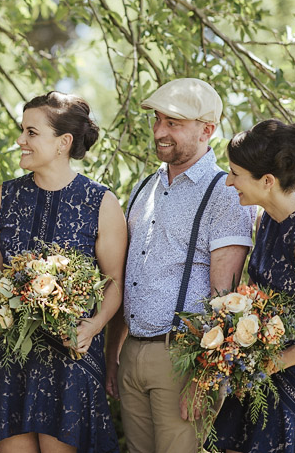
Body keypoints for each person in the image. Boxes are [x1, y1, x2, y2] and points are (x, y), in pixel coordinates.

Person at [0, 91, 128, 453]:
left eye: (31, 133)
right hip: (11, 359)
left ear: (63, 143)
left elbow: (115, 282)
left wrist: (95, 324)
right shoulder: (2, 197)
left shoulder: (101, 202)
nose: (20, 140)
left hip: (70, 359)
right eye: (22, 131)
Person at [105, 78, 256, 453]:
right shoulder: (144, 188)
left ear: (208, 130)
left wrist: (204, 376)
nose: (159, 131)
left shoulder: (226, 193)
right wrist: (113, 355)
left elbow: (226, 299)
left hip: (183, 360)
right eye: (157, 120)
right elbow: (129, 277)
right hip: (133, 353)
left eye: (173, 123)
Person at [212, 119, 295, 452]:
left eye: (235, 173)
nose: (229, 182)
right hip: (257, 378)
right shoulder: (266, 221)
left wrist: (273, 363)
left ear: (268, 180)